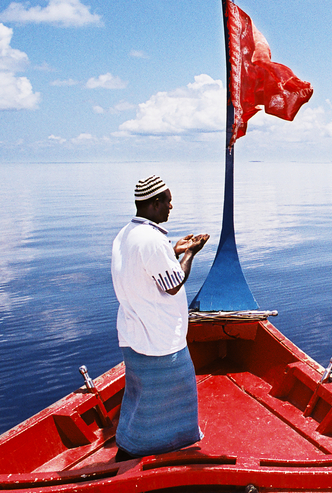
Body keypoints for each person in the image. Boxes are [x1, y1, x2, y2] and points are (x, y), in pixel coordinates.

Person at [110, 175, 210, 461]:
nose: (171, 206)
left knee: (139, 397)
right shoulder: (152, 240)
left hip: (133, 333)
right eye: (167, 200)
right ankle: (154, 453)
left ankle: (130, 444)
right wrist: (191, 252)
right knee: (168, 401)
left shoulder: (127, 233)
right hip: (159, 339)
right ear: (154, 204)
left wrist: (172, 249)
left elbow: (144, 265)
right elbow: (173, 282)